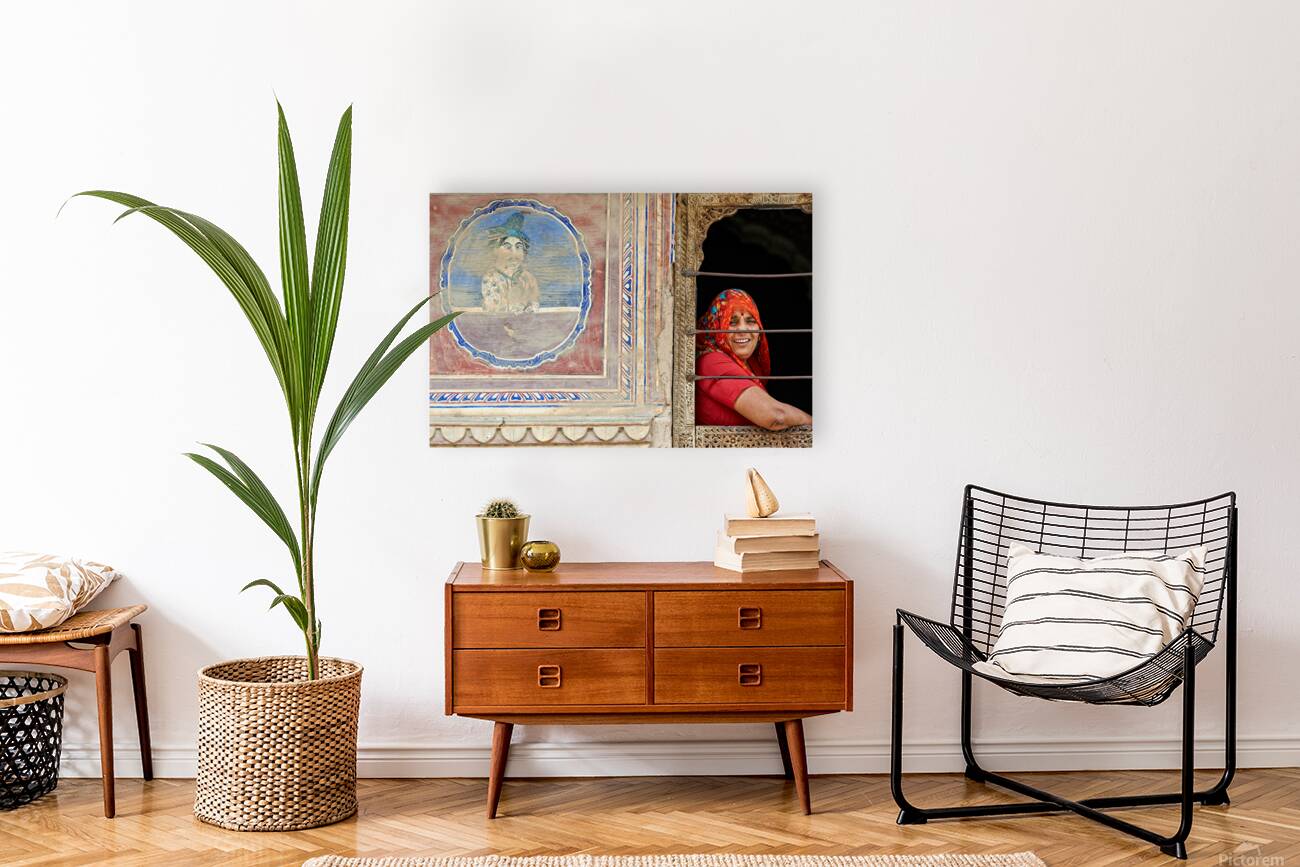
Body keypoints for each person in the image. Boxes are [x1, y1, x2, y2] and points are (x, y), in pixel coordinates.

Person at [694, 288, 812, 430]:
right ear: (716, 326)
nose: (743, 329)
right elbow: (775, 416)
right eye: (732, 322)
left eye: (750, 321)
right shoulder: (712, 361)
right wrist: (816, 425)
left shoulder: (750, 364)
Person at [480, 212, 540, 313]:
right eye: (507, 247)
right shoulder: (491, 278)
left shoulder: (528, 278)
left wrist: (531, 308)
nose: (514, 254)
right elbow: (495, 311)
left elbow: (534, 304)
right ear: (495, 250)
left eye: (518, 247)